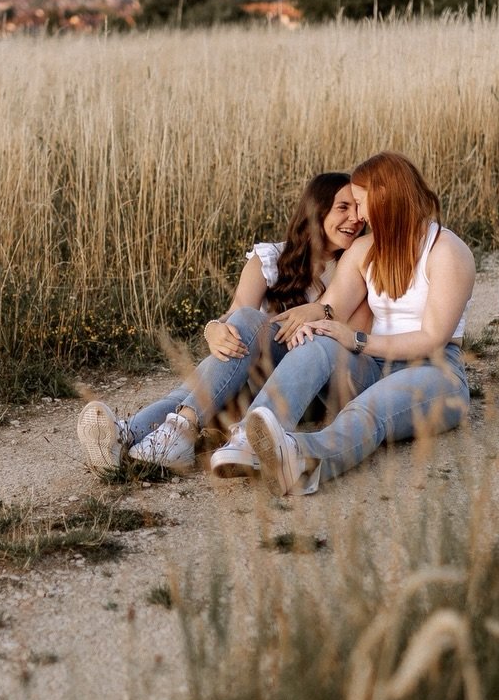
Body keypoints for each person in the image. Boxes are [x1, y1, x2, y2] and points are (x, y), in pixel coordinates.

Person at [76, 173, 365, 475]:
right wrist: (213, 328)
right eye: (343, 207)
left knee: (221, 364)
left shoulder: (354, 266)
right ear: (316, 211)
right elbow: (237, 314)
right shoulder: (272, 258)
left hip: (304, 386)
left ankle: (165, 430)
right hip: (249, 375)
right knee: (224, 356)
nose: (355, 218)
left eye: (357, 208)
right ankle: (126, 438)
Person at [241, 151, 474, 496]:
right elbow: (331, 307)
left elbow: (432, 338)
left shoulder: (446, 252)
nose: (359, 216)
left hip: (436, 372)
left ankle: (302, 459)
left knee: (372, 406)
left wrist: (358, 340)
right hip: (375, 364)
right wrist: (313, 322)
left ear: (386, 198)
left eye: (362, 203)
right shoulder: (365, 250)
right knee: (319, 342)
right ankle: (252, 437)